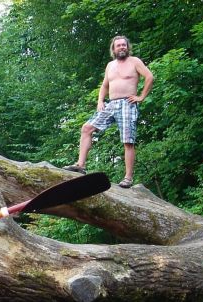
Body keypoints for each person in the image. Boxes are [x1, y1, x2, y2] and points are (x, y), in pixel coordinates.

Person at [63, 35, 154, 188]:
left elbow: (149, 77)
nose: (122, 47)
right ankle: (80, 165)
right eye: (118, 45)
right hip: (111, 104)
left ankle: (128, 178)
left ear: (128, 47)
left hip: (128, 103)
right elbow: (105, 85)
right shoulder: (110, 65)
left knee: (128, 141)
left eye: (124, 45)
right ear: (113, 49)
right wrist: (100, 100)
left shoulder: (134, 62)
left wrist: (141, 97)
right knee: (87, 128)